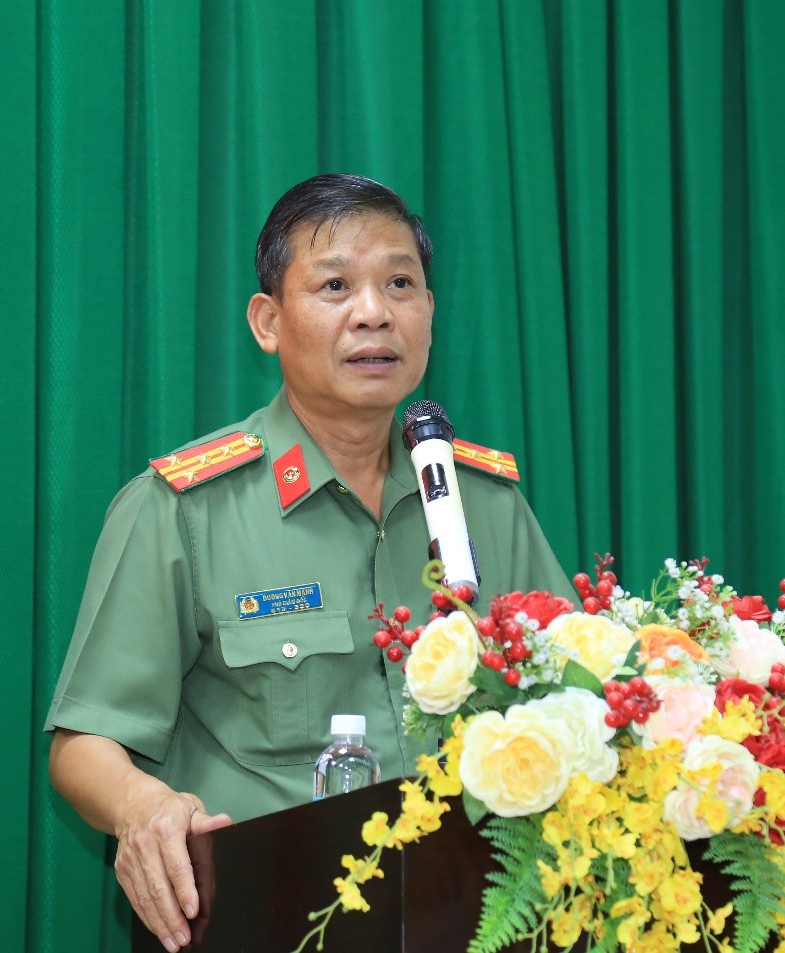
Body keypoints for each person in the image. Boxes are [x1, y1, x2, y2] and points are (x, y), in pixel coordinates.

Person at [45, 173, 574, 952]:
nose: (374, 312)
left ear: (429, 312)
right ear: (269, 321)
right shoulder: (185, 508)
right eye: (335, 286)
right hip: (269, 917)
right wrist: (141, 807)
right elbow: (84, 743)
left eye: (400, 283)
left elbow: (577, 697)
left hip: (475, 914)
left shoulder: (484, 501)